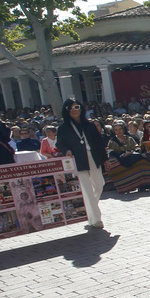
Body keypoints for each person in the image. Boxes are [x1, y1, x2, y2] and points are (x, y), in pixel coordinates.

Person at [57, 97, 108, 230]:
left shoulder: (90, 125)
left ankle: (90, 208)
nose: (74, 110)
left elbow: (99, 142)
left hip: (93, 157)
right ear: (66, 111)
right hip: (78, 159)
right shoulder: (63, 128)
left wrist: (105, 158)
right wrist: (66, 150)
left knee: (99, 184)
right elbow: (60, 143)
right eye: (71, 108)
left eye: (77, 107)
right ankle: (96, 219)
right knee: (86, 189)